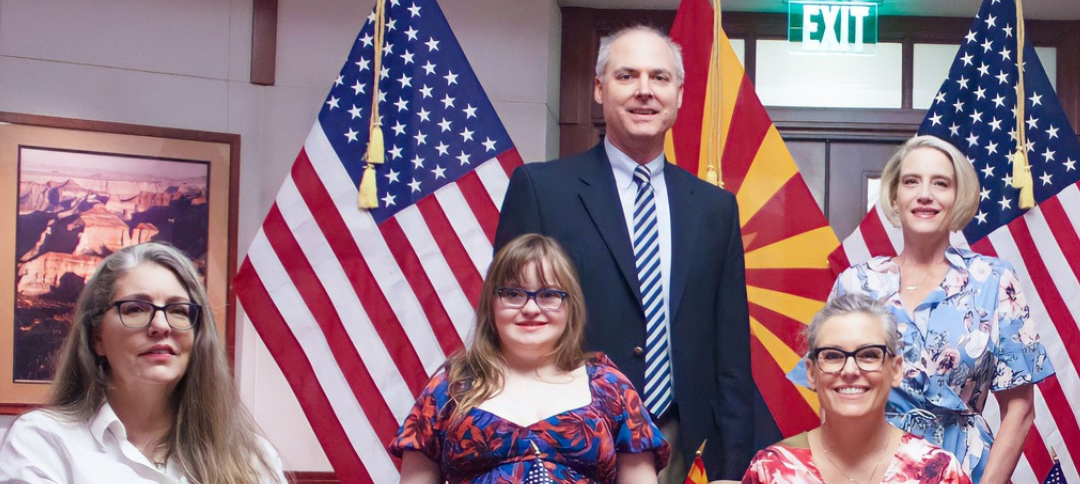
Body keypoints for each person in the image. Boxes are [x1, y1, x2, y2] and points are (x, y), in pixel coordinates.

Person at [494, 25, 753, 483]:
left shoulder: (715, 208)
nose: (644, 92)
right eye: (627, 76)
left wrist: (732, 466)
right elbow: (506, 317)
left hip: (684, 443)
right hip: (566, 435)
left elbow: (730, 352)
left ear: (678, 94)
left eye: (659, 78)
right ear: (598, 88)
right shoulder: (540, 189)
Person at [797, 135, 1053, 484]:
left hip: (970, 472)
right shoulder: (855, 284)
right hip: (871, 471)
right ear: (894, 195)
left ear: (957, 196)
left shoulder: (994, 281)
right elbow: (833, 396)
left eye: (940, 183)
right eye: (911, 181)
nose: (924, 194)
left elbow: (1020, 410)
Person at [0, 242, 285, 484]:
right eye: (134, 308)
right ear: (97, 338)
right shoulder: (44, 443)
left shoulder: (251, 458)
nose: (161, 325)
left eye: (179, 310)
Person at [391, 233, 668, 483]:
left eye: (548, 295)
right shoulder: (449, 388)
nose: (531, 308)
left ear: (570, 306)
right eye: (513, 294)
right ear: (491, 303)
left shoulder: (610, 387)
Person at [745, 294, 972, 484]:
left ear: (895, 370)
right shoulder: (770, 470)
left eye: (869, 355)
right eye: (833, 356)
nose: (850, 370)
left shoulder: (940, 471)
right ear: (811, 373)